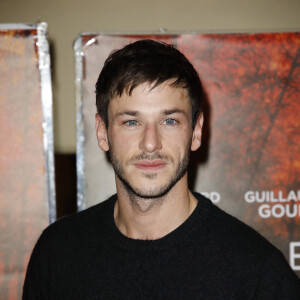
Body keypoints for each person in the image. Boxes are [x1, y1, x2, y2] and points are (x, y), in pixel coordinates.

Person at [23, 39, 300, 299]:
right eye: (131, 122)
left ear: (196, 131)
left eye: (169, 121)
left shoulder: (258, 273)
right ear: (102, 132)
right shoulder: (57, 254)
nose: (150, 143)